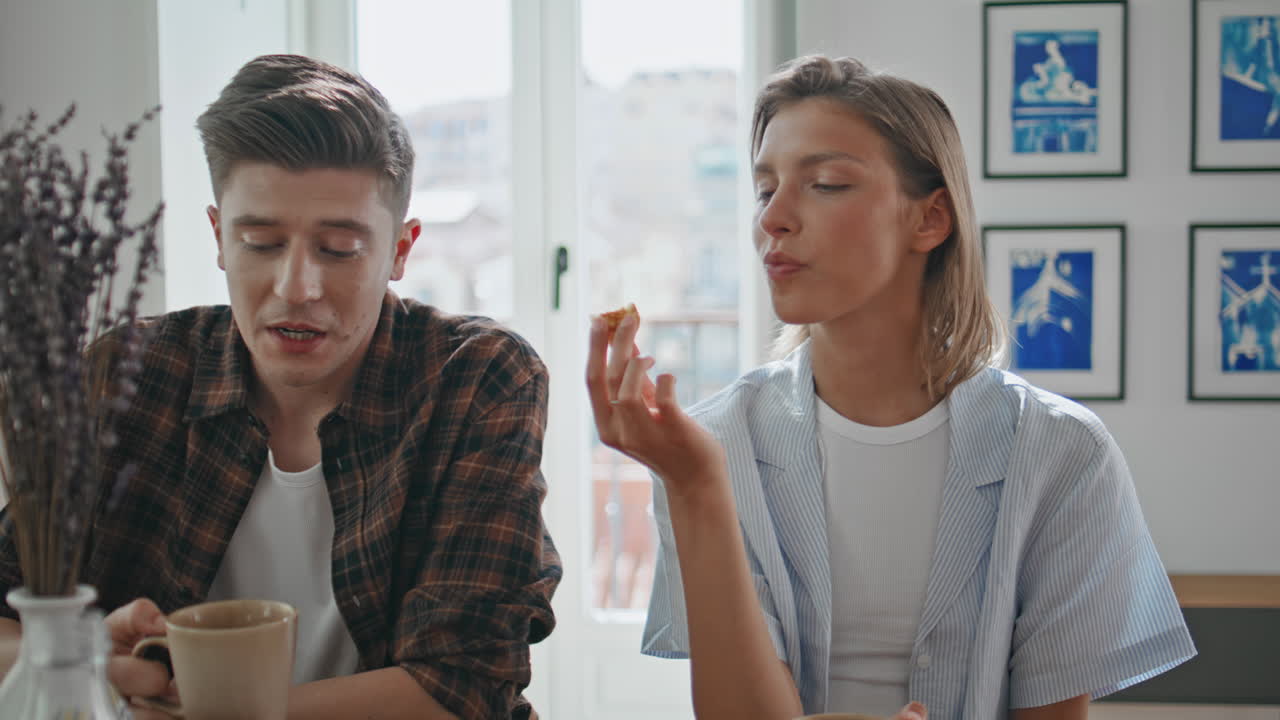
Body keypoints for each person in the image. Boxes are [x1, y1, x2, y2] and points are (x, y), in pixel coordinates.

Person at [586, 55, 1194, 720]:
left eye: (825, 184)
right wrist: (695, 486)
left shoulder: (1063, 453)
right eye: (764, 190)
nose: (773, 218)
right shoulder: (708, 448)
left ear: (930, 219)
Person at [0, 54, 560, 720]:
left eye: (339, 249)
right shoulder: (129, 375)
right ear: (219, 237)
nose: (297, 288)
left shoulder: (477, 379)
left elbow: (463, 687)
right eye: (262, 243)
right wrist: (90, 657)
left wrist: (208, 710)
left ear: (400, 250)